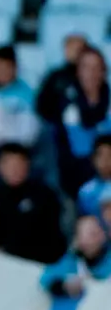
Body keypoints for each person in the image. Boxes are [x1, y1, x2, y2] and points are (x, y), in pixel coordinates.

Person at [0, 143, 66, 264]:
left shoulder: (44, 194)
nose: (14, 169)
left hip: (40, 262)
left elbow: (48, 237)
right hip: (6, 262)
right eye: (9, 165)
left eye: (18, 164)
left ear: (27, 164)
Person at [51, 47, 111, 198]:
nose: (91, 73)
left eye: (96, 67)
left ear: (104, 71)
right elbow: (68, 149)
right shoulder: (64, 104)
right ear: (78, 71)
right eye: (86, 67)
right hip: (74, 178)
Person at [40, 216, 111, 298]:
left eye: (94, 233)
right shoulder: (72, 261)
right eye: (91, 233)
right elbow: (45, 280)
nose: (87, 241)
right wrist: (64, 286)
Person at [36, 34, 88, 125]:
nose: (76, 53)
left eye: (79, 49)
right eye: (71, 48)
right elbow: (41, 105)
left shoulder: (93, 75)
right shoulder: (55, 76)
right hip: (56, 127)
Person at [77, 135, 111, 221]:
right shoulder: (86, 192)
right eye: (101, 156)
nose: (105, 161)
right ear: (93, 159)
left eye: (109, 156)